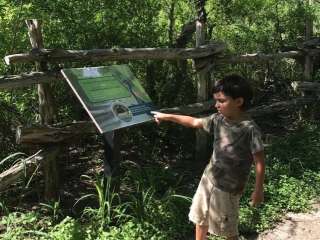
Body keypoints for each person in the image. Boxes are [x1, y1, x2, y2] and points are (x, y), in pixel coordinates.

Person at [151, 74, 265, 240]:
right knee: (201, 216)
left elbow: (259, 161)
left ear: (239, 102)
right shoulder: (218, 120)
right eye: (215, 100)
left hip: (228, 188)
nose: (217, 105)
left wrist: (258, 190)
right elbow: (194, 122)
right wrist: (166, 116)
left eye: (221, 101)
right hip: (208, 179)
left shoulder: (249, 129)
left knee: (228, 228)